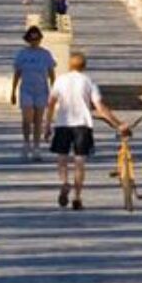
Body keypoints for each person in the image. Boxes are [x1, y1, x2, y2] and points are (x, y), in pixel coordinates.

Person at [45, 52, 128, 210]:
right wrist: (118, 124)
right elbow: (100, 108)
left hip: (63, 123)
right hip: (82, 125)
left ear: (69, 65)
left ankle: (64, 183)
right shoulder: (88, 81)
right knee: (79, 162)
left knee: (62, 157)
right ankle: (77, 197)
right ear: (84, 66)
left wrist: (47, 124)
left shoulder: (60, 80)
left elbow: (50, 103)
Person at [10, 26, 57, 161]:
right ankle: (26, 143)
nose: (34, 41)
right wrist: (13, 92)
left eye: (37, 39)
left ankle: (36, 147)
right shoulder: (22, 54)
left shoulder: (45, 54)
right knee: (27, 119)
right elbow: (17, 74)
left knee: (38, 120)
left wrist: (54, 91)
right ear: (28, 39)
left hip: (41, 90)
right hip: (26, 90)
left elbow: (51, 74)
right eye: (32, 39)